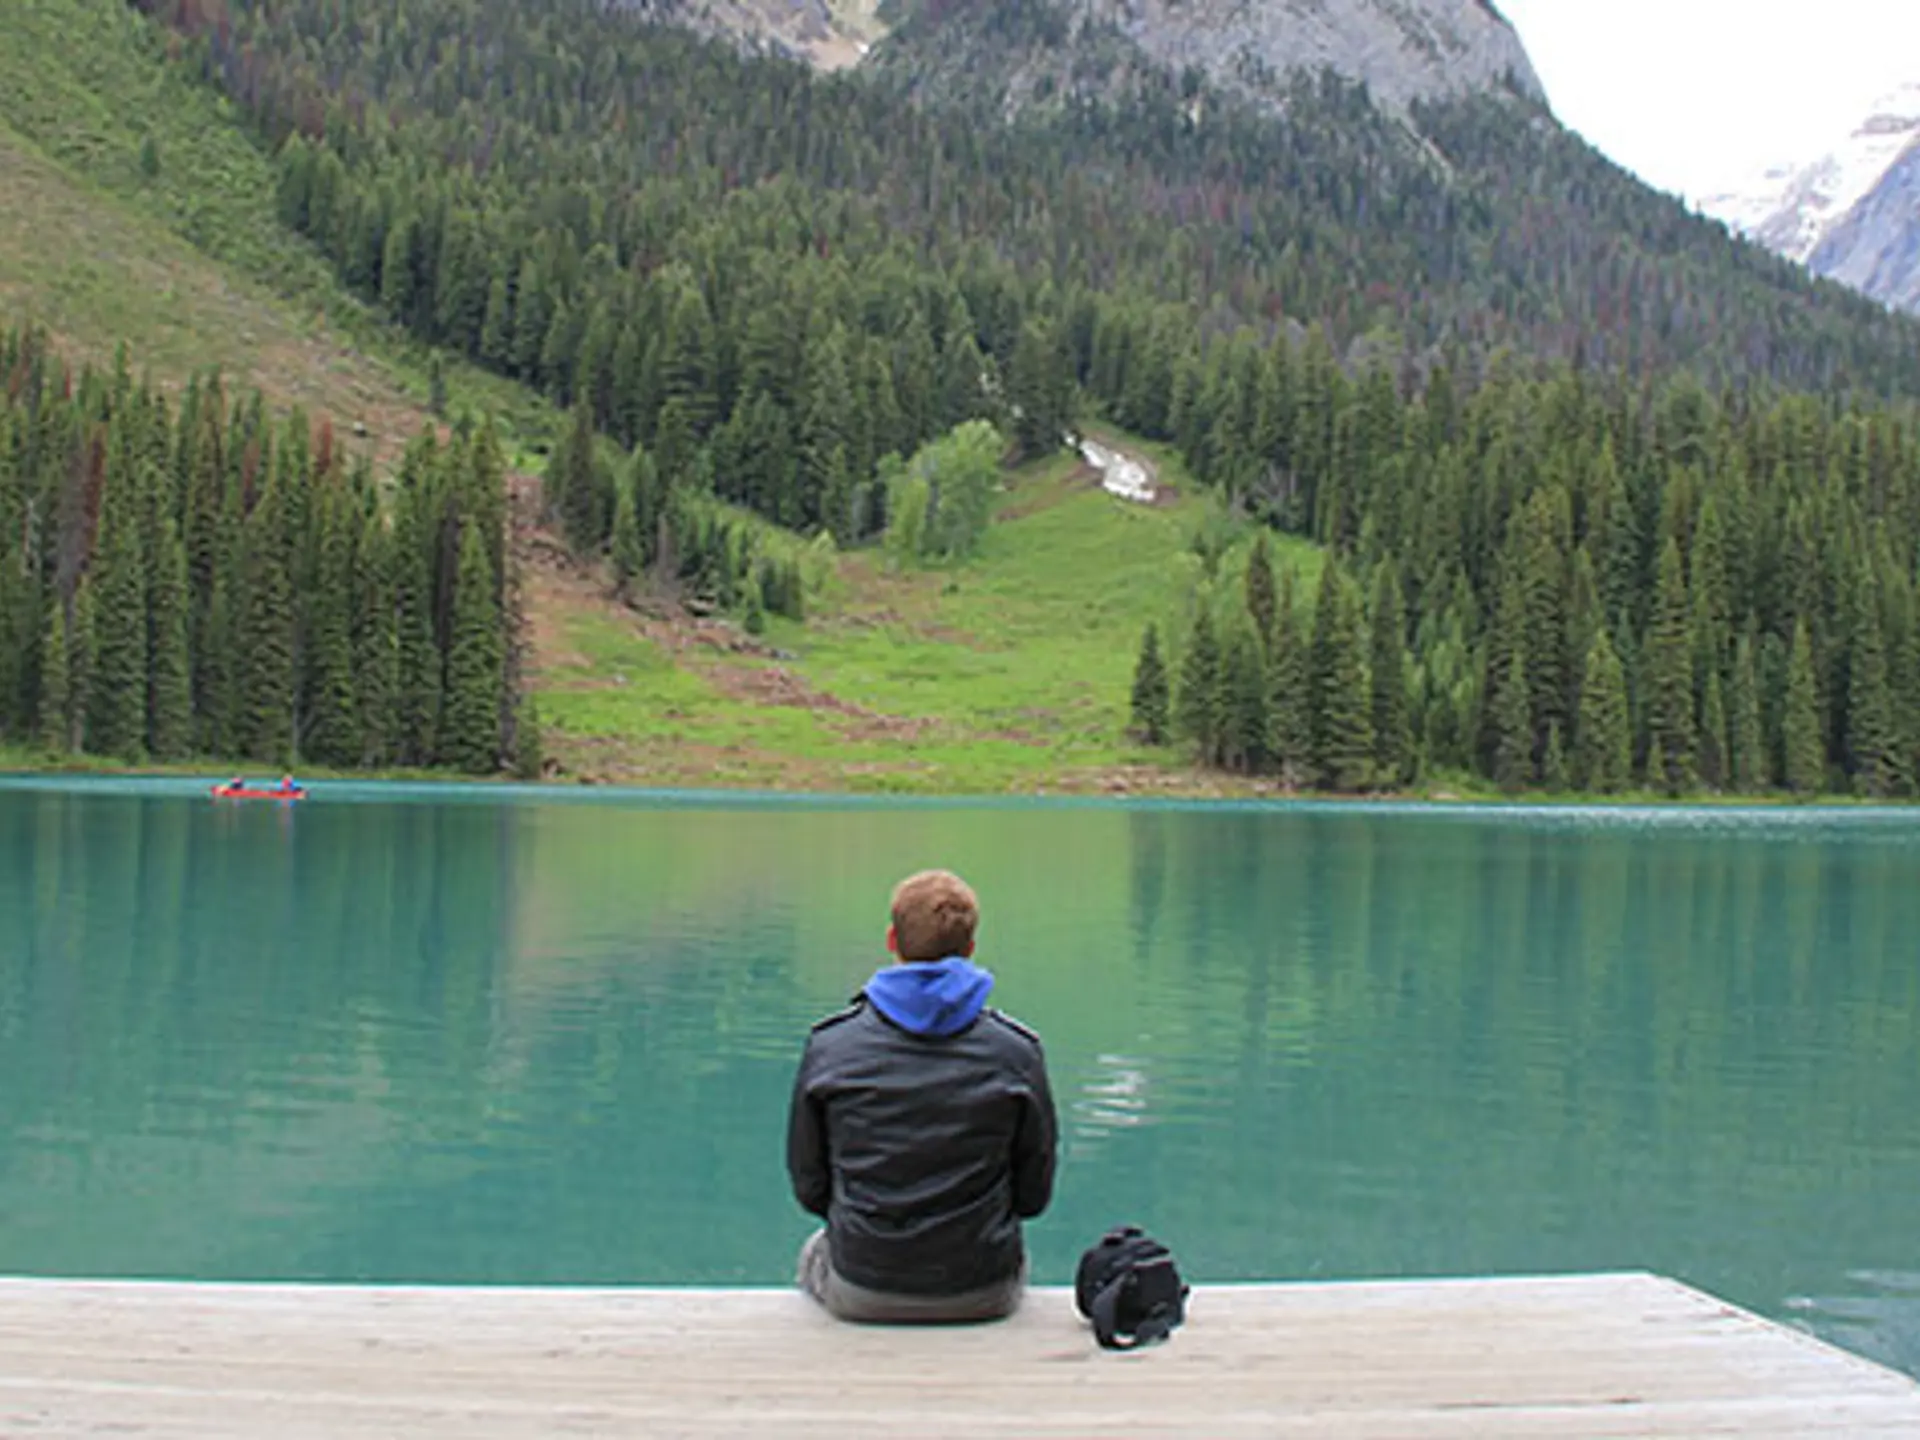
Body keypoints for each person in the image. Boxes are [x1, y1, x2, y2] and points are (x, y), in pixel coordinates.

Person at [786, 869, 1057, 1324]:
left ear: (893, 939)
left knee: (814, 1251)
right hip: (983, 1288)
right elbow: (1032, 1198)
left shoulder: (832, 1046)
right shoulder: (1016, 1053)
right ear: (969, 949)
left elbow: (811, 1188)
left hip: (863, 1286)